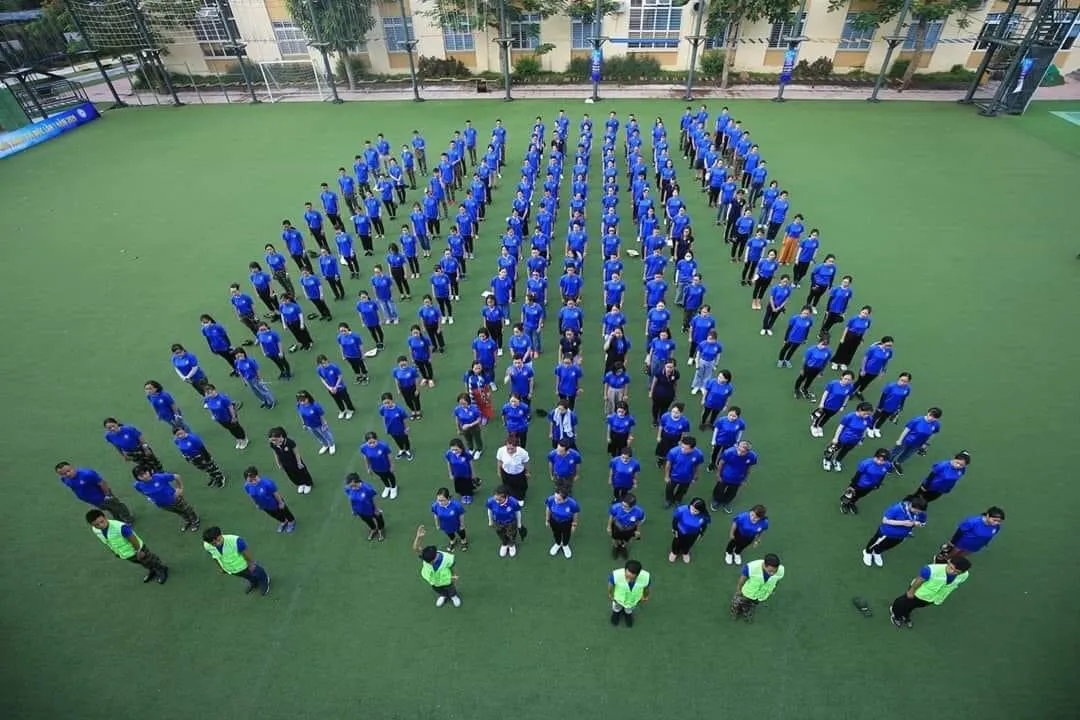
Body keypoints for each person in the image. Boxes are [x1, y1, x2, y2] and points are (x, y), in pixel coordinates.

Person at [86, 509, 168, 584]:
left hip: (137, 550)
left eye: (102, 521)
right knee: (143, 562)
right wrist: (116, 552)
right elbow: (107, 541)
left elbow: (133, 539)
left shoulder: (119, 527)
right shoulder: (95, 529)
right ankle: (152, 570)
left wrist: (139, 551)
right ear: (92, 525)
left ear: (105, 517)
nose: (101, 525)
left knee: (150, 559)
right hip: (126, 554)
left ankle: (162, 569)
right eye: (96, 525)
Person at [889, 557, 971, 629]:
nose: (952, 572)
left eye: (957, 572)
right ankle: (895, 614)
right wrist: (911, 591)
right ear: (949, 561)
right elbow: (919, 580)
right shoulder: (930, 570)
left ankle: (905, 614)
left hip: (932, 597)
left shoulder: (964, 575)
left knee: (913, 606)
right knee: (903, 602)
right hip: (919, 593)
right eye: (951, 568)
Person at [202, 526, 271, 596]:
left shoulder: (235, 540)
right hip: (232, 569)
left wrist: (251, 563)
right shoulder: (207, 546)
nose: (217, 544)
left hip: (245, 565)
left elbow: (246, 552)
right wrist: (221, 568)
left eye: (218, 540)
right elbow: (214, 556)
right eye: (213, 544)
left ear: (221, 534)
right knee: (247, 576)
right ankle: (254, 582)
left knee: (257, 572)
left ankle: (265, 581)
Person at [56, 463, 134, 523]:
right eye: (63, 474)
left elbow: (102, 483)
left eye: (68, 471)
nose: (67, 474)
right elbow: (72, 487)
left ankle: (128, 519)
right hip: (94, 501)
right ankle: (118, 520)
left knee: (118, 506)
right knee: (110, 509)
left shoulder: (87, 474)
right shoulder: (64, 479)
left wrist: (107, 495)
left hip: (103, 497)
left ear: (73, 467)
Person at [863, 496, 928, 567]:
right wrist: (903, 523)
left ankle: (876, 553)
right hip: (886, 533)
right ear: (911, 505)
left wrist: (917, 524)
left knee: (886, 546)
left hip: (901, 536)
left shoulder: (921, 513)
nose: (917, 513)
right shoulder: (897, 508)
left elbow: (923, 524)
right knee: (875, 543)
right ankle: (867, 552)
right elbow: (885, 520)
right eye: (916, 511)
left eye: (919, 512)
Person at [131, 466, 200, 533]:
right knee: (179, 512)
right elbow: (141, 491)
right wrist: (149, 497)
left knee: (187, 509)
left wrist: (180, 488)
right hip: (163, 505)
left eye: (145, 473)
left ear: (148, 471)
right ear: (137, 477)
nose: (144, 476)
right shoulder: (137, 485)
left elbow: (176, 476)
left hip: (175, 499)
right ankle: (188, 520)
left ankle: (195, 520)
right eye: (140, 475)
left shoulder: (159, 477)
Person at [412, 525, 463, 608]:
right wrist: (418, 537)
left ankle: (453, 596)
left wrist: (453, 575)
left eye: (430, 562)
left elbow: (451, 567)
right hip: (433, 581)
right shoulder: (426, 556)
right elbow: (416, 548)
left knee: (450, 588)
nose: (429, 564)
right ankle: (443, 595)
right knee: (437, 589)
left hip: (446, 579)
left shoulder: (447, 558)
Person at [936, 507, 1004, 561]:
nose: (996, 523)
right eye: (994, 520)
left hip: (976, 545)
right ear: (987, 515)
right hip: (962, 543)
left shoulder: (997, 526)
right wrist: (952, 542)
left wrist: (985, 543)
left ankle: (954, 561)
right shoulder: (972, 522)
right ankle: (944, 558)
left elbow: (991, 535)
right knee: (953, 553)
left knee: (962, 555)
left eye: (999, 521)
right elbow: (960, 531)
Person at [888, 407, 942, 476]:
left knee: (907, 455)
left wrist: (926, 443)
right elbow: (906, 430)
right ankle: (887, 463)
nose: (931, 418)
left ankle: (897, 463)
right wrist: (900, 440)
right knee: (894, 452)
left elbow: (933, 433)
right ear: (928, 412)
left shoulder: (936, 424)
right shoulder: (917, 420)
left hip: (918, 444)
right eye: (930, 415)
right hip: (906, 441)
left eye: (934, 417)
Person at [822, 401, 874, 473]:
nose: (867, 416)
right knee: (833, 449)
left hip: (854, 440)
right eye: (865, 413)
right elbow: (840, 427)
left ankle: (837, 460)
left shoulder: (869, 419)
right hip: (842, 438)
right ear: (859, 410)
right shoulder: (849, 416)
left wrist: (862, 439)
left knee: (845, 451)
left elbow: (865, 429)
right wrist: (835, 438)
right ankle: (827, 460)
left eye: (868, 414)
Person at [732, 553, 784, 622]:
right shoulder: (751, 567)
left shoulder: (781, 570)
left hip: (760, 596)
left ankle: (746, 614)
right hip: (746, 593)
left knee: (751, 606)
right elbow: (742, 579)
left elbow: (776, 580)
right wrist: (738, 590)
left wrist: (773, 589)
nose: (772, 574)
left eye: (775, 571)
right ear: (764, 565)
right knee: (737, 603)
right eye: (770, 571)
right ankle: (734, 613)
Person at [242, 466, 296, 533]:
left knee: (284, 512)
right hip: (264, 506)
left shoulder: (267, 483)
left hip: (275, 502)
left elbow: (275, 494)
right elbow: (252, 496)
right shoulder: (247, 486)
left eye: (254, 479)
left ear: (257, 475)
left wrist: (281, 503)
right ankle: (284, 521)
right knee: (274, 515)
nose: (253, 482)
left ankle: (291, 521)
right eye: (250, 481)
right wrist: (256, 504)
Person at [840, 448, 893, 514]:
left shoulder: (887, 465)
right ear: (875, 456)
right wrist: (852, 486)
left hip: (870, 486)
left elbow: (882, 475)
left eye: (882, 461)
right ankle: (844, 504)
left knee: (860, 495)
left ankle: (852, 503)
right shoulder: (866, 463)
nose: (879, 462)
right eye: (878, 459)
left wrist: (878, 484)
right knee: (849, 495)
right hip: (859, 485)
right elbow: (857, 475)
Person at [712, 440, 758, 513]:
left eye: (743, 452)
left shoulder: (752, 456)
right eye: (740, 450)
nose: (740, 453)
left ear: (748, 451)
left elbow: (749, 468)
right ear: (737, 446)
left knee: (732, 492)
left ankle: (726, 502)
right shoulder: (728, 452)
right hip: (724, 477)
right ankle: (716, 500)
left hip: (738, 479)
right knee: (719, 490)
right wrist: (718, 475)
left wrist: (745, 479)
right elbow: (721, 463)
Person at [268, 427, 314, 494]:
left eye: (275, 440)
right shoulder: (273, 444)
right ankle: (300, 484)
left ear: (280, 436)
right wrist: (278, 463)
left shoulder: (289, 442)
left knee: (302, 473)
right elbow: (275, 454)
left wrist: (299, 463)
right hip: (285, 464)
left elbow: (296, 453)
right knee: (292, 475)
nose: (273, 442)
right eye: (272, 440)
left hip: (295, 462)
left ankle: (308, 484)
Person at [202, 385, 249, 450]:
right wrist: (213, 415)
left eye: (210, 392)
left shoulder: (223, 398)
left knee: (237, 428)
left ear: (214, 390)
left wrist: (233, 417)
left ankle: (244, 439)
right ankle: (238, 439)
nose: (209, 395)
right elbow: (209, 407)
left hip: (230, 417)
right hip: (220, 419)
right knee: (230, 429)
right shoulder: (207, 399)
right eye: (207, 393)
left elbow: (230, 407)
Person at [810, 370, 855, 437]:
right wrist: (821, 403)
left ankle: (820, 426)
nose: (847, 381)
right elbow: (825, 393)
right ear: (842, 377)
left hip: (836, 407)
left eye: (849, 380)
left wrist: (843, 406)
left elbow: (847, 396)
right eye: (845, 378)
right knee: (820, 416)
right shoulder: (833, 383)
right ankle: (814, 426)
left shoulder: (850, 387)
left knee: (827, 417)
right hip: (826, 405)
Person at [664, 435, 706, 509]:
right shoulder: (673, 452)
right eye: (682, 447)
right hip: (673, 476)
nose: (683, 450)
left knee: (682, 490)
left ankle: (678, 499)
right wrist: (667, 476)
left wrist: (696, 475)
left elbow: (697, 465)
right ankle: (669, 500)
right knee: (669, 489)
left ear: (692, 448)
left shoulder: (699, 454)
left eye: (686, 448)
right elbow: (668, 465)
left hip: (687, 477)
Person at [609, 559, 651, 628]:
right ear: (624, 570)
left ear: (638, 575)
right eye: (627, 577)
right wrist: (610, 594)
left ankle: (627, 614)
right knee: (616, 607)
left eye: (632, 578)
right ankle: (616, 614)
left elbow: (646, 588)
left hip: (633, 600)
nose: (628, 580)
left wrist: (645, 596)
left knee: (629, 609)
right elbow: (610, 585)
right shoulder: (616, 575)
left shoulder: (646, 577)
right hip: (618, 599)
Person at [868, 371, 911, 439]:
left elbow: (903, 398)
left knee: (884, 418)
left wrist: (901, 406)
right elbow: (883, 396)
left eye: (905, 381)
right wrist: (880, 407)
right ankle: (870, 428)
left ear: (908, 382)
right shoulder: (891, 386)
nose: (903, 382)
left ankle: (876, 428)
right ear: (898, 378)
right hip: (883, 406)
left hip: (893, 407)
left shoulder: (907, 388)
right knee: (875, 417)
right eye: (902, 380)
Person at [345, 472, 386, 541]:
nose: (348, 484)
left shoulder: (367, 488)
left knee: (378, 518)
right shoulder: (348, 488)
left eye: (349, 482)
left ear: (353, 481)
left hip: (371, 508)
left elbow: (374, 498)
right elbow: (351, 499)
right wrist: (353, 509)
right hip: (360, 510)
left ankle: (380, 530)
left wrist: (377, 509)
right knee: (367, 520)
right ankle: (373, 529)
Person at [486, 485, 524, 558]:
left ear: (505, 497)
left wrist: (519, 523)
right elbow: (489, 510)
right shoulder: (491, 501)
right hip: (498, 522)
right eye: (496, 497)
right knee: (500, 533)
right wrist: (490, 521)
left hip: (510, 522)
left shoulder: (513, 502)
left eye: (499, 500)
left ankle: (511, 545)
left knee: (512, 534)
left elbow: (517, 512)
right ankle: (504, 544)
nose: (497, 501)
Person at [830, 305, 873, 370]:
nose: (864, 314)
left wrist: (862, 339)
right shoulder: (854, 318)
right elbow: (847, 328)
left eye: (866, 314)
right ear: (861, 311)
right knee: (842, 349)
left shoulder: (868, 321)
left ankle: (844, 363)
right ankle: (835, 362)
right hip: (849, 335)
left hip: (858, 337)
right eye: (863, 312)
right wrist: (842, 338)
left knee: (851, 351)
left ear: (868, 315)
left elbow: (865, 330)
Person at [852, 336, 895, 400]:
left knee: (866, 382)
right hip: (866, 369)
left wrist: (883, 371)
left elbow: (886, 361)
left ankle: (859, 392)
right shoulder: (873, 349)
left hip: (875, 372)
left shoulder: (890, 352)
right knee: (859, 381)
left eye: (890, 346)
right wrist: (863, 369)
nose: (889, 347)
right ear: (882, 343)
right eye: (887, 345)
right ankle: (851, 392)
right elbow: (865, 359)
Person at [545, 483, 581, 559]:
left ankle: (565, 545)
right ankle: (558, 544)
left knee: (566, 534)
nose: (556, 500)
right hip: (554, 521)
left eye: (559, 499)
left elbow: (575, 513)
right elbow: (548, 508)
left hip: (566, 523)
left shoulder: (572, 503)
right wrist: (547, 520)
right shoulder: (551, 499)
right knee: (556, 533)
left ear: (565, 498)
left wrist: (574, 524)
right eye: (555, 497)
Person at [360, 431, 400, 499]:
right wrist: (368, 468)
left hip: (386, 466)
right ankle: (387, 487)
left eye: (374, 442)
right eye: (370, 443)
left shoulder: (383, 446)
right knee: (382, 477)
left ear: (377, 439)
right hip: (375, 468)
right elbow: (366, 458)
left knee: (390, 476)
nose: (372, 444)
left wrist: (392, 465)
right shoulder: (363, 448)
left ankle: (394, 487)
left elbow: (389, 456)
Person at [669, 497, 710, 564]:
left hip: (693, 534)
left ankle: (685, 553)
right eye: (692, 508)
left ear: (701, 511)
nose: (692, 511)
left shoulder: (704, 516)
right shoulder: (682, 510)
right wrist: (674, 529)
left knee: (689, 544)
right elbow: (675, 520)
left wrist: (701, 533)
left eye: (696, 511)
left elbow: (704, 526)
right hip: (680, 531)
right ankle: (674, 552)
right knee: (676, 542)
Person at [296, 390, 335, 456]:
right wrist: (304, 424)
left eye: (303, 400)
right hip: (310, 426)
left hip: (319, 425)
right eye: (300, 400)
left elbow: (321, 415)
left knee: (326, 435)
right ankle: (325, 445)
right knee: (318, 436)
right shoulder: (299, 405)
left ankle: (332, 445)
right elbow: (301, 415)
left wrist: (324, 424)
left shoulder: (315, 405)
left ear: (308, 398)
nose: (302, 402)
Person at [794, 334, 831, 401]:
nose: (823, 346)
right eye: (822, 344)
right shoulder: (811, 349)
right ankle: (796, 390)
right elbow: (805, 360)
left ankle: (804, 389)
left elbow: (825, 362)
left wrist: (821, 371)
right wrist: (802, 369)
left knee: (810, 379)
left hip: (817, 369)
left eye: (826, 345)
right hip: (808, 368)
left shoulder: (828, 351)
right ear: (819, 342)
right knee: (801, 378)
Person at [607, 492, 645, 558]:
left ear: (633, 506)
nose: (623, 507)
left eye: (625, 506)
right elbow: (611, 517)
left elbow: (638, 521)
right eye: (622, 504)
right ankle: (615, 547)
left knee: (627, 539)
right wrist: (609, 527)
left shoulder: (639, 512)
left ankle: (623, 547)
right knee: (614, 537)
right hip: (617, 526)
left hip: (630, 528)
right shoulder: (615, 507)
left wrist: (637, 530)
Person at [496, 434, 531, 505]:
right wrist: (499, 471)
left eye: (512, 449)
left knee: (521, 486)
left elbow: (526, 463)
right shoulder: (501, 450)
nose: (510, 451)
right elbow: (499, 461)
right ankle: (509, 497)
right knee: (507, 486)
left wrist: (527, 472)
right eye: (508, 448)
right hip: (506, 473)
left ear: (516, 446)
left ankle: (520, 498)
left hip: (519, 474)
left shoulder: (522, 452)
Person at [445, 438, 480, 505]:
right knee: (459, 485)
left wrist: (473, 474)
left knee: (467, 485)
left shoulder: (466, 454)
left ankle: (468, 496)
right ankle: (463, 495)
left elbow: (470, 463)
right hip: (456, 474)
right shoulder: (449, 453)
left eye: (456, 449)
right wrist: (450, 474)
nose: (454, 451)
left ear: (461, 448)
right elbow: (449, 463)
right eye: (452, 449)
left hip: (466, 474)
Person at [454, 393, 484, 460]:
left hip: (474, 427)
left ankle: (479, 450)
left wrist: (470, 425)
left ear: (468, 401)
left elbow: (479, 419)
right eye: (460, 403)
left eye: (464, 403)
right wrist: (458, 429)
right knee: (468, 439)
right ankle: (471, 449)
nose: (462, 405)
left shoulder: (474, 408)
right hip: (464, 428)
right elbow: (457, 419)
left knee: (477, 439)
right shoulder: (457, 409)